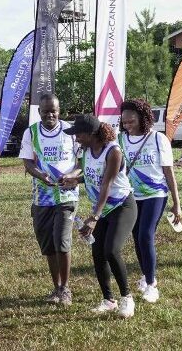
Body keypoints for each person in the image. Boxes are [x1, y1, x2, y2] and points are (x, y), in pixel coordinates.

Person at [62, 114, 137, 318]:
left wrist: (94, 217)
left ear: (91, 134)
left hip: (122, 206)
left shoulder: (113, 151)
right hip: (101, 208)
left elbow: (107, 183)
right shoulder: (87, 150)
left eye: (78, 134)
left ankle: (127, 298)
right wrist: (75, 181)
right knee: (97, 253)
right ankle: (108, 300)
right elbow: (92, 176)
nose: (76, 138)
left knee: (112, 250)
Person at [118, 99, 181, 304]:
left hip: (155, 194)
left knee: (146, 235)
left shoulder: (158, 139)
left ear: (143, 118)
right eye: (125, 122)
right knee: (137, 236)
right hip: (131, 195)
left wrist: (176, 202)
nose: (128, 125)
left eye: (132, 121)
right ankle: (145, 276)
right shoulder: (121, 140)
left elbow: (168, 171)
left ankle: (152, 285)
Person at [18, 93, 78, 306]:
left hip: (66, 196)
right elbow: (27, 163)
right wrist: (40, 175)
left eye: (54, 111)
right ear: (39, 112)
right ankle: (56, 287)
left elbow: (82, 161)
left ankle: (65, 289)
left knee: (61, 242)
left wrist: (72, 176)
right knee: (49, 246)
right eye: (46, 111)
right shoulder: (31, 133)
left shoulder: (71, 131)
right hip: (41, 198)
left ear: (59, 111)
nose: (50, 114)